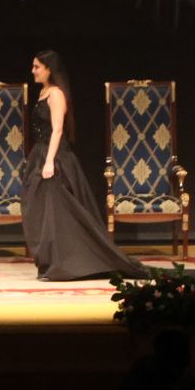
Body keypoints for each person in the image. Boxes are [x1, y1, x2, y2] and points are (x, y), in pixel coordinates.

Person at [22, 50, 148, 281]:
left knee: (58, 212)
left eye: (37, 67)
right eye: (33, 66)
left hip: (55, 156)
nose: (33, 71)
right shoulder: (43, 92)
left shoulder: (56, 94)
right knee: (40, 210)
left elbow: (58, 129)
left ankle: (69, 263)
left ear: (49, 69)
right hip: (40, 153)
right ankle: (52, 262)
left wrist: (50, 161)